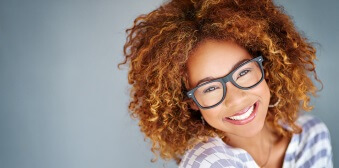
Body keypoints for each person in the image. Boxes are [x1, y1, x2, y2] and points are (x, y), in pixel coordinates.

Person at [118, 0, 333, 167]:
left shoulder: (311, 136)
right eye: (210, 87)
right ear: (191, 102)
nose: (236, 97)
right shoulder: (208, 163)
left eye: (242, 72)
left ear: (265, 66)